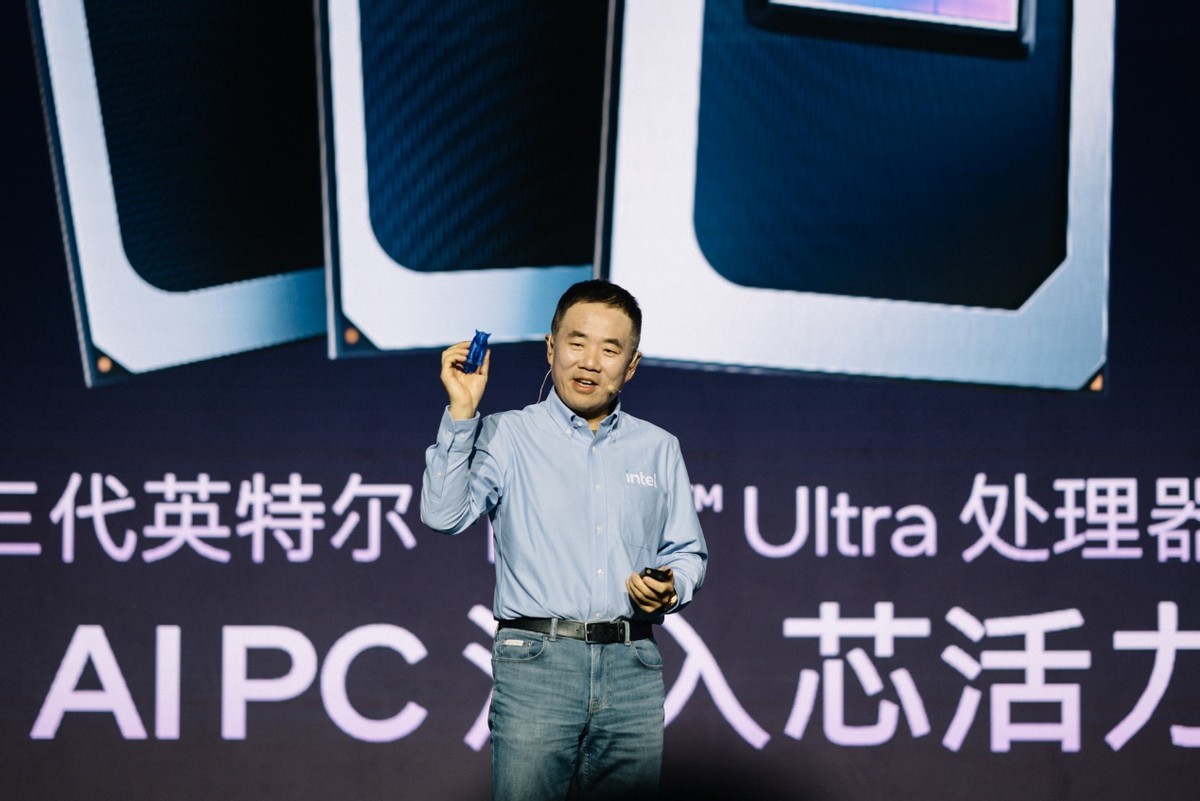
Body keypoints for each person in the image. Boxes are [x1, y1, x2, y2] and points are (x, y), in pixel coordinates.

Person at [420, 279, 708, 801]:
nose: (590, 362)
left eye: (610, 349)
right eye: (577, 343)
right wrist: (462, 413)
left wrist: (672, 587)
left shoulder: (658, 447)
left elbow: (687, 552)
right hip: (538, 662)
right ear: (551, 348)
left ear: (632, 365)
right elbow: (443, 515)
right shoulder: (507, 435)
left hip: (633, 665)